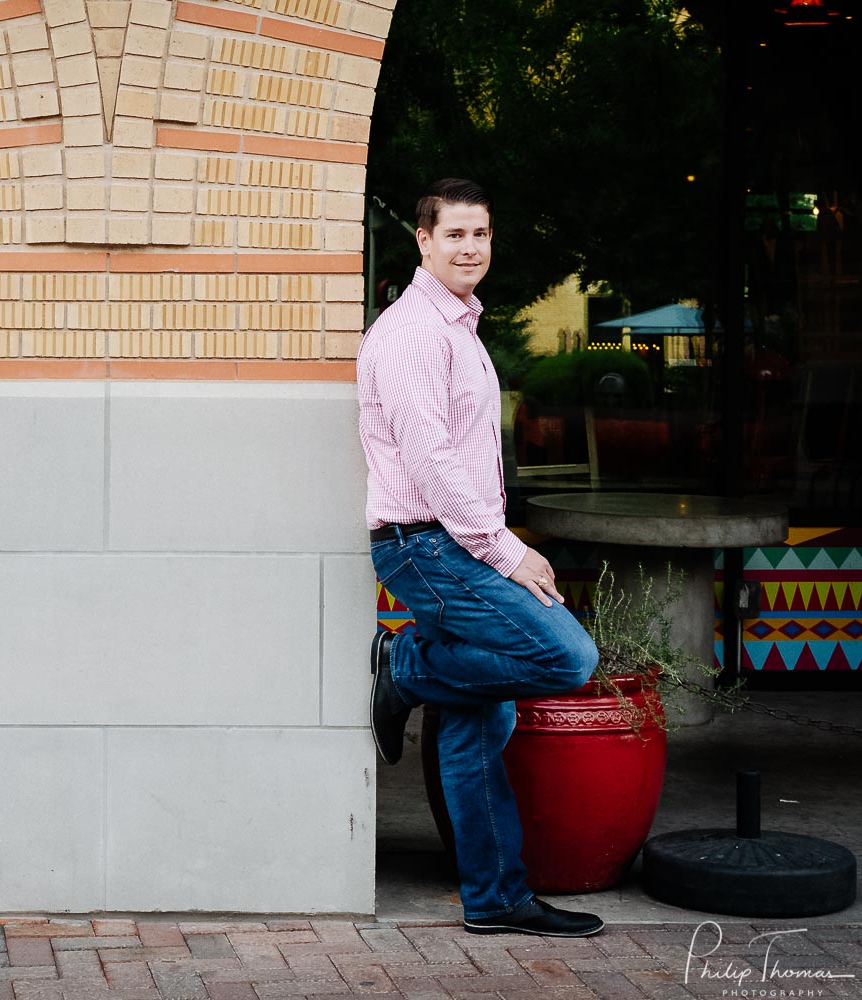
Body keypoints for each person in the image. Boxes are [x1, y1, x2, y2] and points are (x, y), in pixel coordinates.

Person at [356, 179, 603, 938]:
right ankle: (404, 669)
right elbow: (431, 461)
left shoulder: (458, 327)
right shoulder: (412, 333)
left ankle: (496, 899)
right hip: (426, 544)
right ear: (424, 241)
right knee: (568, 656)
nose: (470, 248)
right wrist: (506, 551)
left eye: (481, 235)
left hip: (448, 539)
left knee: (476, 719)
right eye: (455, 235)